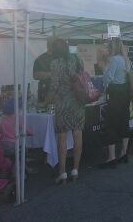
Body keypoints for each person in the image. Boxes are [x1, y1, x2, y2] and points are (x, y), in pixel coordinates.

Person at [47, 38, 85, 184]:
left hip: (62, 102)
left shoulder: (55, 63)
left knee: (62, 137)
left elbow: (54, 85)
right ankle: (75, 170)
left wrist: (45, 101)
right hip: (78, 101)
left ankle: (62, 172)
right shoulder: (77, 60)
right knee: (78, 134)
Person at [100, 38, 132, 168]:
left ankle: (111, 157)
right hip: (125, 93)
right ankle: (124, 152)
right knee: (124, 122)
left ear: (113, 47)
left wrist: (104, 69)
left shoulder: (114, 59)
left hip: (115, 94)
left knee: (111, 124)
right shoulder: (126, 59)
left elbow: (109, 78)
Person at [33, 37, 56, 103]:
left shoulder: (60, 58)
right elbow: (35, 75)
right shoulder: (40, 59)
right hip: (45, 91)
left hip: (58, 93)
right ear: (48, 45)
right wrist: (52, 74)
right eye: (53, 43)